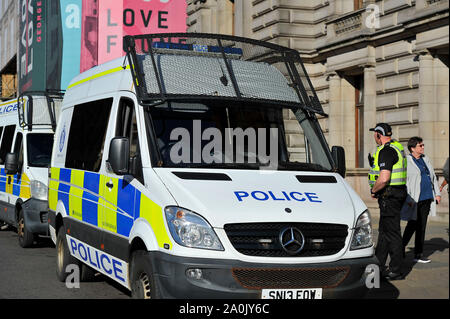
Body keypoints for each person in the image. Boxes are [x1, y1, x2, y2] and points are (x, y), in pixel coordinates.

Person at [368, 123, 407, 280]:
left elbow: (384, 178)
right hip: (395, 194)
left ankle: (396, 270)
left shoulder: (386, 151)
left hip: (389, 196)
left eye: (375, 134)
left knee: (392, 233)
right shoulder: (396, 146)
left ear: (378, 135)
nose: (374, 137)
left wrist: (373, 190)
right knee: (384, 232)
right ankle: (378, 266)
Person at [401, 137, 441, 263]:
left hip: (427, 198)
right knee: (412, 225)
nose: (423, 147)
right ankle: (400, 248)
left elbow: (433, 177)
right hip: (414, 200)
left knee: (421, 227)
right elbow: (404, 182)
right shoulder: (407, 161)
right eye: (420, 146)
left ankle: (418, 254)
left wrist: (437, 193)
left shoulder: (425, 159)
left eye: (423, 145)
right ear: (412, 148)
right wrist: (408, 198)